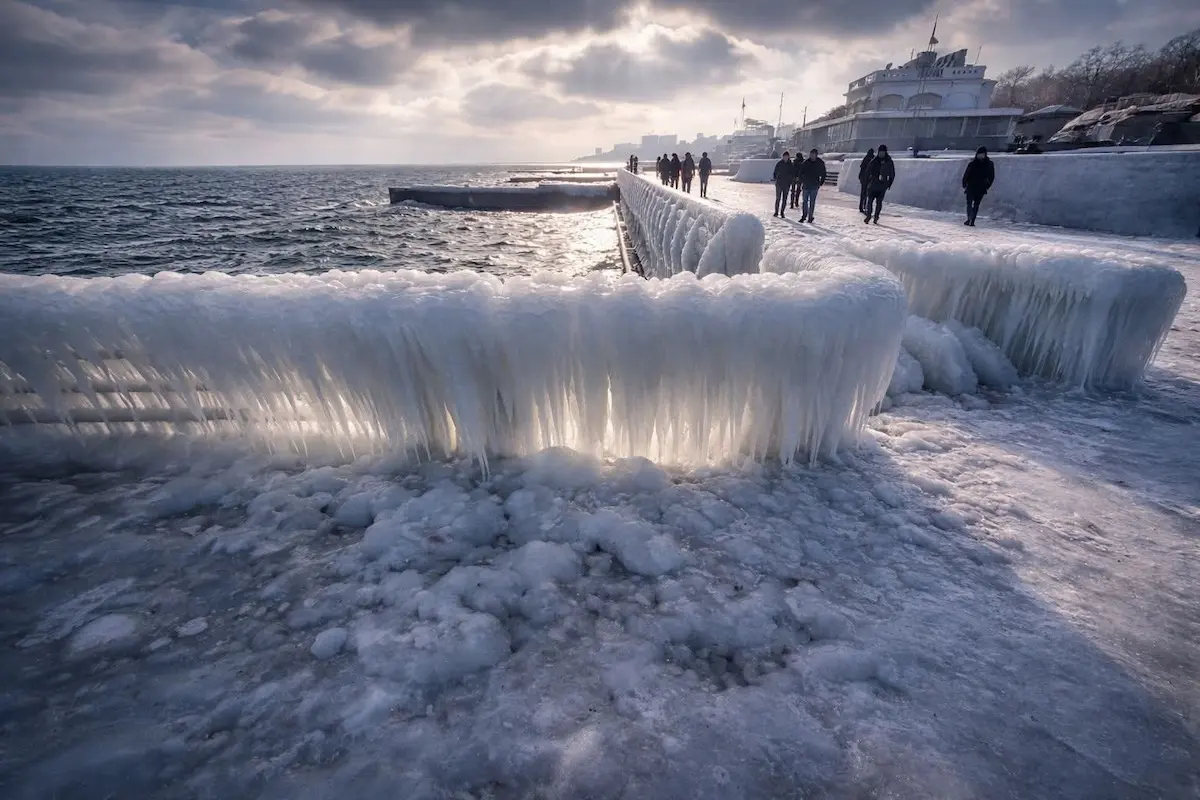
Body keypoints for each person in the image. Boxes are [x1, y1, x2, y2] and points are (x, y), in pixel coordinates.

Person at [961, 146, 994, 226]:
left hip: (980, 187)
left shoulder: (988, 164)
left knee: (975, 204)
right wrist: (964, 183)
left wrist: (987, 186)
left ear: (985, 154)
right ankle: (970, 218)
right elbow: (967, 174)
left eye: (981, 154)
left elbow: (991, 176)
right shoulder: (972, 163)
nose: (980, 155)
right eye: (979, 154)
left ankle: (972, 220)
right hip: (972, 186)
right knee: (970, 203)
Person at [863, 144, 894, 224]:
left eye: (883, 152)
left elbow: (892, 174)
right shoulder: (874, 161)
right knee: (870, 201)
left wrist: (889, 184)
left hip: (882, 186)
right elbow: (868, 172)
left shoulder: (888, 161)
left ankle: (876, 216)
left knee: (879, 202)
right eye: (880, 152)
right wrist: (866, 182)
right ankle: (869, 215)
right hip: (873, 185)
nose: (881, 154)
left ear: (885, 152)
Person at [796, 148, 827, 223]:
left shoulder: (820, 163)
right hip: (806, 185)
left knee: (812, 202)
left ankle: (810, 217)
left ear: (816, 155)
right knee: (805, 201)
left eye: (813, 154)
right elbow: (801, 173)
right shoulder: (806, 162)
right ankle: (804, 216)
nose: (812, 156)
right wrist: (801, 181)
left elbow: (824, 173)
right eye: (811, 154)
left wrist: (821, 182)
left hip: (814, 185)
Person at [772, 151, 793, 218]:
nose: (785, 158)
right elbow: (775, 172)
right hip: (779, 183)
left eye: (787, 156)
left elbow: (793, 173)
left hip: (786, 184)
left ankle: (782, 212)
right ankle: (776, 212)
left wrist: (790, 181)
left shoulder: (790, 164)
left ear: (788, 157)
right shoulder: (779, 163)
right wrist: (776, 178)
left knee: (784, 199)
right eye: (784, 156)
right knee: (778, 198)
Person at [857, 148, 875, 214]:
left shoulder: (866, 158)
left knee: (863, 193)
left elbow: (862, 168)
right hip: (869, 179)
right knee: (868, 194)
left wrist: (860, 177)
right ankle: (865, 206)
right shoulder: (873, 159)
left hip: (864, 178)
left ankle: (861, 207)